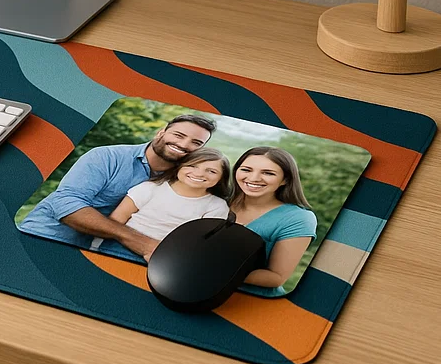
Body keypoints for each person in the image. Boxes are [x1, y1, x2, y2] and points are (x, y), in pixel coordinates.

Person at [18, 114, 217, 257]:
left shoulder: (185, 179)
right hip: (47, 235)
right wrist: (143, 243)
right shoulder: (106, 156)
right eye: (178, 135)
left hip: (105, 251)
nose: (184, 145)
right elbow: (66, 204)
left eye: (196, 143)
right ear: (160, 133)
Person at [89, 149, 232, 257]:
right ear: (179, 167)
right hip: (119, 245)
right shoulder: (151, 188)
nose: (199, 174)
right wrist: (95, 247)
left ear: (221, 178)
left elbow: (200, 244)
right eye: (193, 166)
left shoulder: (216, 206)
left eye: (211, 171)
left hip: (166, 257)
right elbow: (115, 221)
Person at [229, 146, 317, 295]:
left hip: (253, 301)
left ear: (285, 180)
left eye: (268, 173)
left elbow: (276, 277)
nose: (254, 178)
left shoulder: (297, 218)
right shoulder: (219, 202)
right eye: (246, 170)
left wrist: (214, 268)